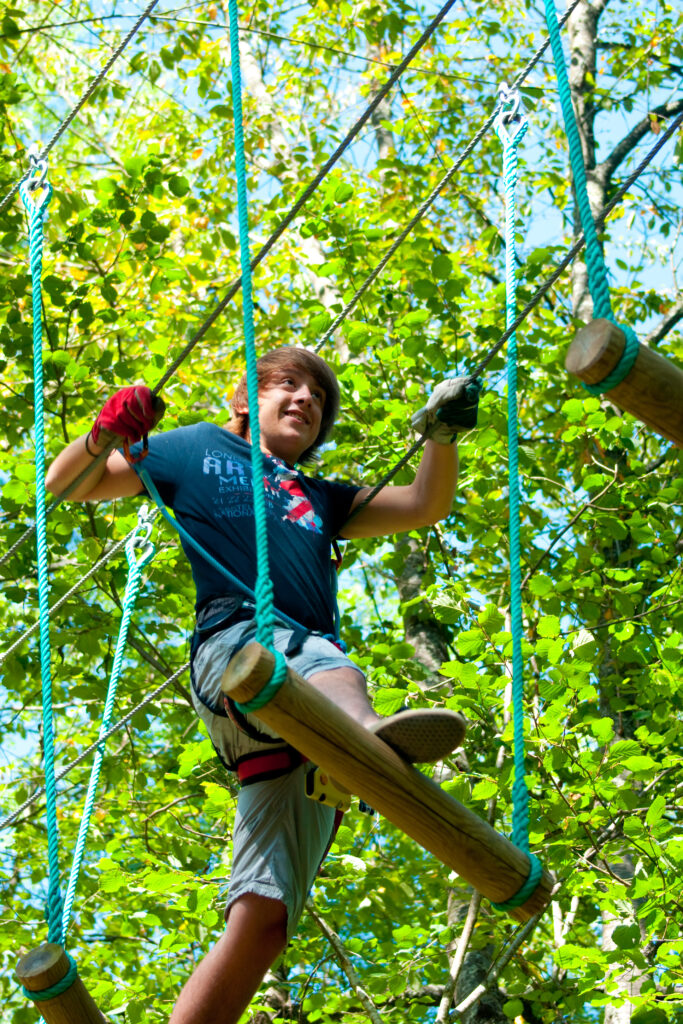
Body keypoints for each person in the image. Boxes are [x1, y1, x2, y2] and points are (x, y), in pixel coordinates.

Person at [46, 347, 478, 1024]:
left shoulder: (321, 497)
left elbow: (426, 503)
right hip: (241, 649)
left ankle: (345, 748)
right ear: (245, 398)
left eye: (318, 398)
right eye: (287, 385)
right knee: (326, 659)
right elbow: (68, 484)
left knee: (264, 919)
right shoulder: (195, 449)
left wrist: (441, 436)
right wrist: (104, 433)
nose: (305, 400)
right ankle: (364, 738)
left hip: (288, 736)